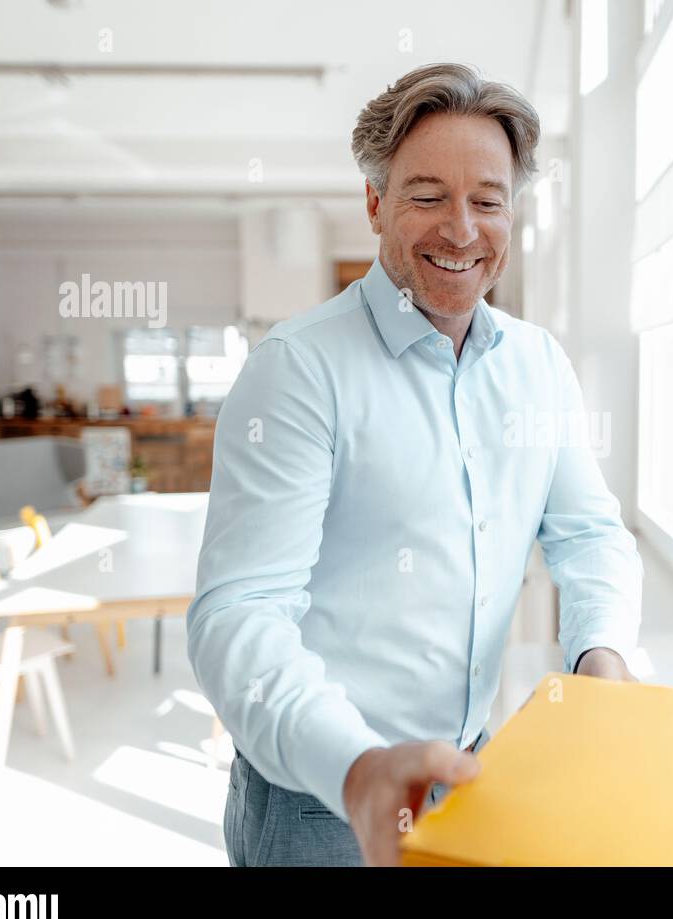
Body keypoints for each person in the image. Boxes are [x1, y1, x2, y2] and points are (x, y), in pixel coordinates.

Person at [187, 62, 643, 867]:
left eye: (488, 200)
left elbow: (589, 533)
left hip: (470, 767)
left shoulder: (539, 365)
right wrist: (356, 767)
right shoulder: (299, 369)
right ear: (374, 203)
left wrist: (598, 653)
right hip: (322, 794)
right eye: (427, 196)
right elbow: (239, 613)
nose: (462, 230)